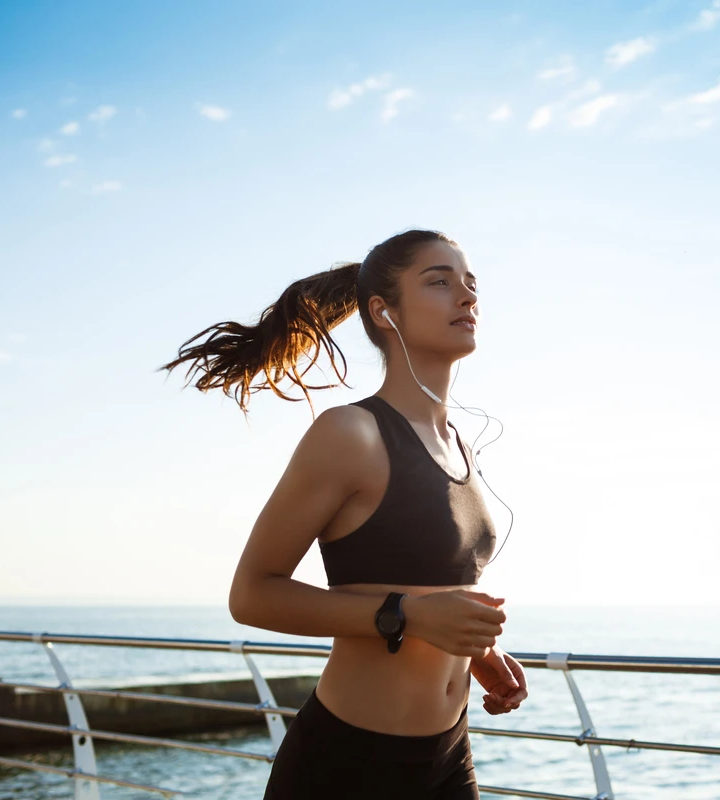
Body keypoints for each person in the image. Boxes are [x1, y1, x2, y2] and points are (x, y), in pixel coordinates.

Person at [158, 228, 529, 799]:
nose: (467, 296)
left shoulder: (460, 444)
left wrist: (478, 651)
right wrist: (408, 616)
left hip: (450, 757)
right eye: (440, 282)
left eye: (471, 283)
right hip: (349, 766)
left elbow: (428, 584)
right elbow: (252, 594)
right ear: (384, 312)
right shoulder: (350, 433)